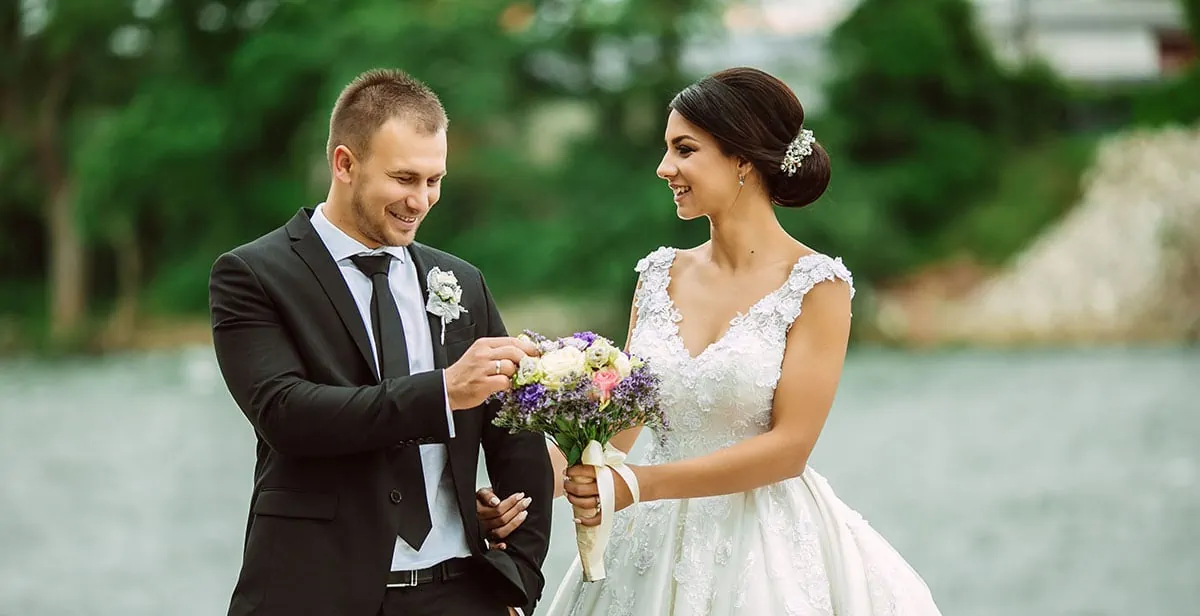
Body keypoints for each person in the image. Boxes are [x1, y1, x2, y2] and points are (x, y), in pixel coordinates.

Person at [475, 67, 942, 615]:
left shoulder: (817, 286)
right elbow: (618, 430)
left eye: (684, 149)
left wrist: (640, 485)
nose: (663, 167)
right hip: (646, 540)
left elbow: (790, 448)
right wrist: (520, 496)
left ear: (742, 158)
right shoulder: (656, 276)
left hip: (762, 545)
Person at [209, 68, 553, 616]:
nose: (421, 200)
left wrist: (519, 581)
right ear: (345, 163)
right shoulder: (252, 274)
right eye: (404, 179)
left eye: (433, 180)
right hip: (312, 592)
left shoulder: (462, 281)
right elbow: (286, 413)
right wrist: (441, 392)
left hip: (461, 593)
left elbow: (516, 430)